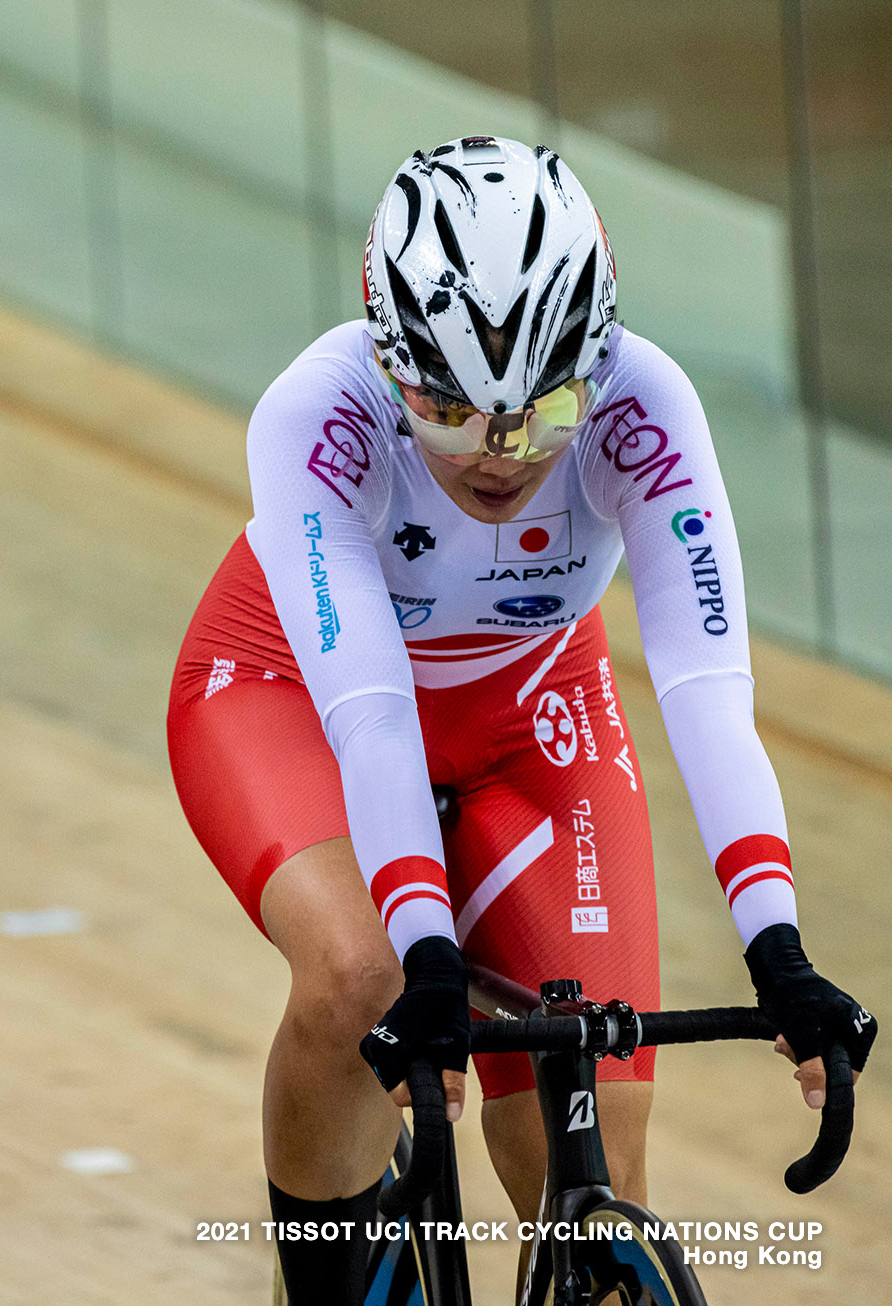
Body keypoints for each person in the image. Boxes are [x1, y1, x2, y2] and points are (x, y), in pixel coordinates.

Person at [166, 137, 873, 1301]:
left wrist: (778, 949)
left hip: (532, 702)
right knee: (360, 978)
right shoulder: (316, 413)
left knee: (601, 1126)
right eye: (445, 410)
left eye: (544, 410)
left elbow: (706, 694)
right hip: (291, 689)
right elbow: (371, 714)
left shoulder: (644, 406)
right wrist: (429, 956)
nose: (500, 453)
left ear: (595, 362)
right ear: (389, 363)